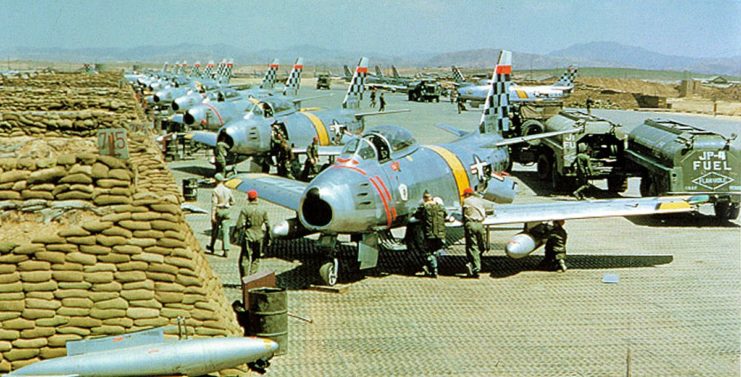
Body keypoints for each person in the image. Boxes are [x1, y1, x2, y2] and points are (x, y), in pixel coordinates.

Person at [236, 190, 270, 280]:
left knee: (245, 258)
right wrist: (269, 237)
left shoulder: (245, 209)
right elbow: (268, 225)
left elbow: (239, 225)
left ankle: (245, 279)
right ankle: (252, 278)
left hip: (249, 235)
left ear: (248, 198)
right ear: (256, 198)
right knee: (256, 258)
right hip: (259, 235)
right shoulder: (263, 210)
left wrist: (235, 235)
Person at [417, 192, 447, 277]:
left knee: (428, 252)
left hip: (429, 234)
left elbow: (417, 215)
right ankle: (434, 264)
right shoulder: (441, 207)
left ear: (424, 198)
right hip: (440, 234)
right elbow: (445, 215)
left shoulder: (424, 207)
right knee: (437, 249)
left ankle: (434, 269)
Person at [462, 187, 487, 278]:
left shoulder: (466, 201)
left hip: (471, 225)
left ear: (467, 195)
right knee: (481, 245)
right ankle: (477, 260)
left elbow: (463, 213)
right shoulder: (480, 201)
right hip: (480, 225)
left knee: (472, 246)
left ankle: (475, 268)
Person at [207, 173, 234, 256]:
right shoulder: (228, 190)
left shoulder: (215, 190)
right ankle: (226, 249)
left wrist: (212, 215)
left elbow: (214, 204)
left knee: (215, 230)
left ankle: (211, 246)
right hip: (227, 211)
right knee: (226, 231)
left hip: (219, 210)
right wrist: (228, 203)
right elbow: (233, 201)